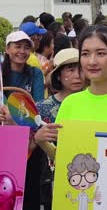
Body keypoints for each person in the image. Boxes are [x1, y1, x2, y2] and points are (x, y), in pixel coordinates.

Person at [36, 25, 107, 157]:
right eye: (85, 54)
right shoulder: (70, 103)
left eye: (101, 53)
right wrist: (42, 141)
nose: (92, 61)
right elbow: (66, 160)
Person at [0, 31, 45, 209]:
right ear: (7, 49)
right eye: (17, 46)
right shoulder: (1, 74)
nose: (22, 51)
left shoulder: (35, 73)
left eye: (26, 47)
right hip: (4, 139)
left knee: (29, 187)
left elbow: (38, 106)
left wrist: (14, 115)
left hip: (29, 141)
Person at [35, 48, 84, 210]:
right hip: (51, 179)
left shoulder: (94, 104)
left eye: (80, 69)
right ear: (58, 75)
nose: (77, 75)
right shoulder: (42, 108)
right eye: (70, 70)